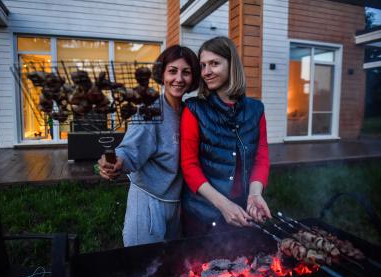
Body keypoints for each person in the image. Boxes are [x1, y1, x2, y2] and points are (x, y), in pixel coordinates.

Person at [97, 45, 200, 246]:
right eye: (172, 71)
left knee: (170, 266)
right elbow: (128, 149)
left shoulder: (190, 112)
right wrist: (114, 161)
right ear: (162, 74)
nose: (178, 79)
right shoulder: (150, 111)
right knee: (143, 267)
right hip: (149, 203)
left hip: (176, 203)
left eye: (185, 72)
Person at [180, 36, 271, 237]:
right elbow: (189, 165)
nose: (206, 72)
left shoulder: (256, 110)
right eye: (203, 65)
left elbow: (261, 157)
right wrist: (223, 205)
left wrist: (255, 194)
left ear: (232, 65)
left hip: (242, 208)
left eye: (214, 64)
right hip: (202, 213)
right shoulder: (194, 109)